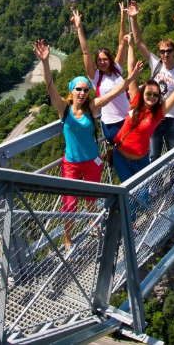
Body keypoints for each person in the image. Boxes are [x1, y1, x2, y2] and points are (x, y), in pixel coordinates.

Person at [34, 38, 142, 247]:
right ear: (72, 91)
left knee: (92, 199)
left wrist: (131, 79)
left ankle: (93, 224)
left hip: (92, 160)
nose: (82, 93)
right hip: (72, 163)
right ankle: (67, 238)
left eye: (85, 89)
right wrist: (45, 62)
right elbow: (49, 85)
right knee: (70, 204)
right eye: (78, 89)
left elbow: (115, 92)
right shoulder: (64, 108)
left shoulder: (92, 107)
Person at [111, 45, 174, 182]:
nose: (151, 97)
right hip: (121, 157)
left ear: (159, 98)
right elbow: (130, 69)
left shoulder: (158, 114)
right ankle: (155, 186)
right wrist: (130, 45)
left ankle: (168, 185)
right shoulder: (134, 101)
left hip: (140, 159)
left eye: (155, 95)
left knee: (140, 194)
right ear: (142, 93)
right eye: (148, 93)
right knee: (127, 192)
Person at [129, 3, 174, 159]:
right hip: (153, 116)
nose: (165, 54)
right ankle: (159, 183)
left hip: (173, 118)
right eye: (162, 51)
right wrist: (134, 19)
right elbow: (139, 42)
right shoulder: (156, 64)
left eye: (168, 51)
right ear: (159, 53)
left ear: (172, 51)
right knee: (154, 155)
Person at [71, 4, 130, 143]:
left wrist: (122, 17)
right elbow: (85, 52)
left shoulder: (117, 69)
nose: (102, 62)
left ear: (110, 59)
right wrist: (79, 28)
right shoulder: (96, 77)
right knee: (122, 152)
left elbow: (122, 43)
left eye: (105, 59)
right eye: (99, 60)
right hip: (112, 123)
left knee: (131, 153)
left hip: (127, 118)